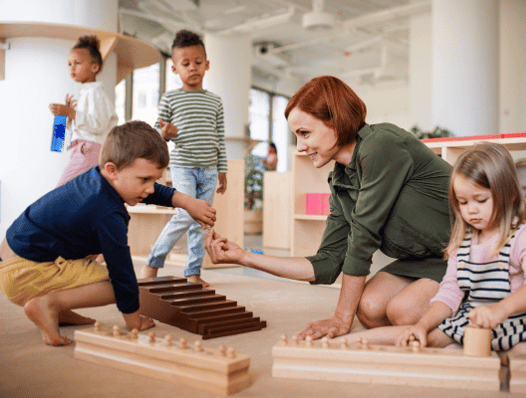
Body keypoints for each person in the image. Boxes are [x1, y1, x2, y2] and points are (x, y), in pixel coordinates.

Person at [205, 75, 453, 340]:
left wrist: (341, 318)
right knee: (368, 309)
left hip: (467, 254)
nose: (300, 147)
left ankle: (492, 300)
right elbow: (327, 263)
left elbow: (362, 240)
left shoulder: (381, 145)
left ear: (336, 121)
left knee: (403, 312)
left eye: (305, 133)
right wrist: (245, 257)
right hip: (424, 261)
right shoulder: (341, 182)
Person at [0, 121, 216, 346]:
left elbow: (145, 190)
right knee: (117, 283)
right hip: (24, 274)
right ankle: (49, 304)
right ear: (112, 170)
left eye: (155, 179)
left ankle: (58, 309)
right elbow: (122, 272)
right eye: (144, 179)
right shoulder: (108, 213)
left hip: (12, 259)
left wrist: (187, 202)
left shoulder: (97, 179)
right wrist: (134, 322)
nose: (151, 188)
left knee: (95, 250)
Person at [372, 142, 526, 359]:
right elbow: (449, 293)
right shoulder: (462, 242)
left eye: (481, 200)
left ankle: (500, 349)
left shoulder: (524, 234)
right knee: (422, 340)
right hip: (476, 323)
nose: (471, 210)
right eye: (463, 202)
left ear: (511, 194)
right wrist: (422, 324)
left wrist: (502, 309)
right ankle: (503, 350)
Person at [140, 30, 227, 288]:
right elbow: (157, 133)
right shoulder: (170, 98)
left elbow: (219, 138)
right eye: (185, 63)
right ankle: (153, 262)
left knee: (202, 221)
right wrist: (164, 133)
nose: (193, 68)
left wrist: (223, 170)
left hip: (210, 170)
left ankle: (193, 272)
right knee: (186, 215)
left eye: (198, 62)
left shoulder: (215, 102)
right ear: (175, 68)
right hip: (183, 167)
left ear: (207, 65)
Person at [49, 35, 118, 187]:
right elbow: (78, 130)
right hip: (84, 149)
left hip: (88, 150)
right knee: (81, 195)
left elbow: (98, 125)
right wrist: (67, 116)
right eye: (69, 64)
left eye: (77, 63)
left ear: (95, 67)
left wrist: (71, 113)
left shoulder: (95, 93)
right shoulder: (86, 94)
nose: (72, 67)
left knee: (61, 192)